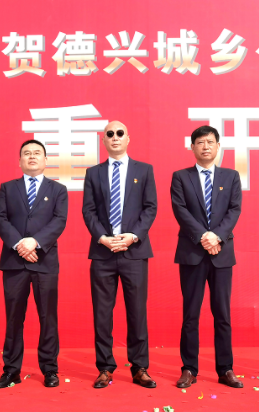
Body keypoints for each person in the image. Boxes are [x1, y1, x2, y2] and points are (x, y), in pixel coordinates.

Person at [82, 121, 158, 389]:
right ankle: (105, 367)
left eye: (120, 133)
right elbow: (88, 211)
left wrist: (133, 236)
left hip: (133, 251)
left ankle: (140, 367)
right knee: (102, 313)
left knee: (137, 311)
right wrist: (103, 238)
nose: (115, 137)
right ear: (103, 140)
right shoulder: (93, 173)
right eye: (110, 134)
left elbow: (150, 208)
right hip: (102, 252)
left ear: (128, 138)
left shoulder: (144, 170)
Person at [170, 125, 243, 389]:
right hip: (192, 252)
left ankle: (225, 368)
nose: (205, 146)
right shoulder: (181, 177)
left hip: (221, 254)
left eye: (210, 142)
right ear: (192, 147)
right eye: (200, 142)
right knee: (191, 314)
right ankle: (189, 368)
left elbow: (234, 210)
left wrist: (217, 237)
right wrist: (203, 236)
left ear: (218, 146)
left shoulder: (231, 176)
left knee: (222, 313)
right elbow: (180, 210)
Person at [0, 139, 68, 389]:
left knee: (48, 317)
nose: (32, 156)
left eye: (37, 153)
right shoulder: (7, 188)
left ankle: (50, 369)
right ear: (19, 161)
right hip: (14, 262)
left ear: (46, 160)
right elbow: (0, 219)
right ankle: (11, 370)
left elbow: (59, 221)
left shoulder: (58, 190)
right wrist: (19, 245)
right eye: (27, 153)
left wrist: (34, 242)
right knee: (14, 318)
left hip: (44, 261)